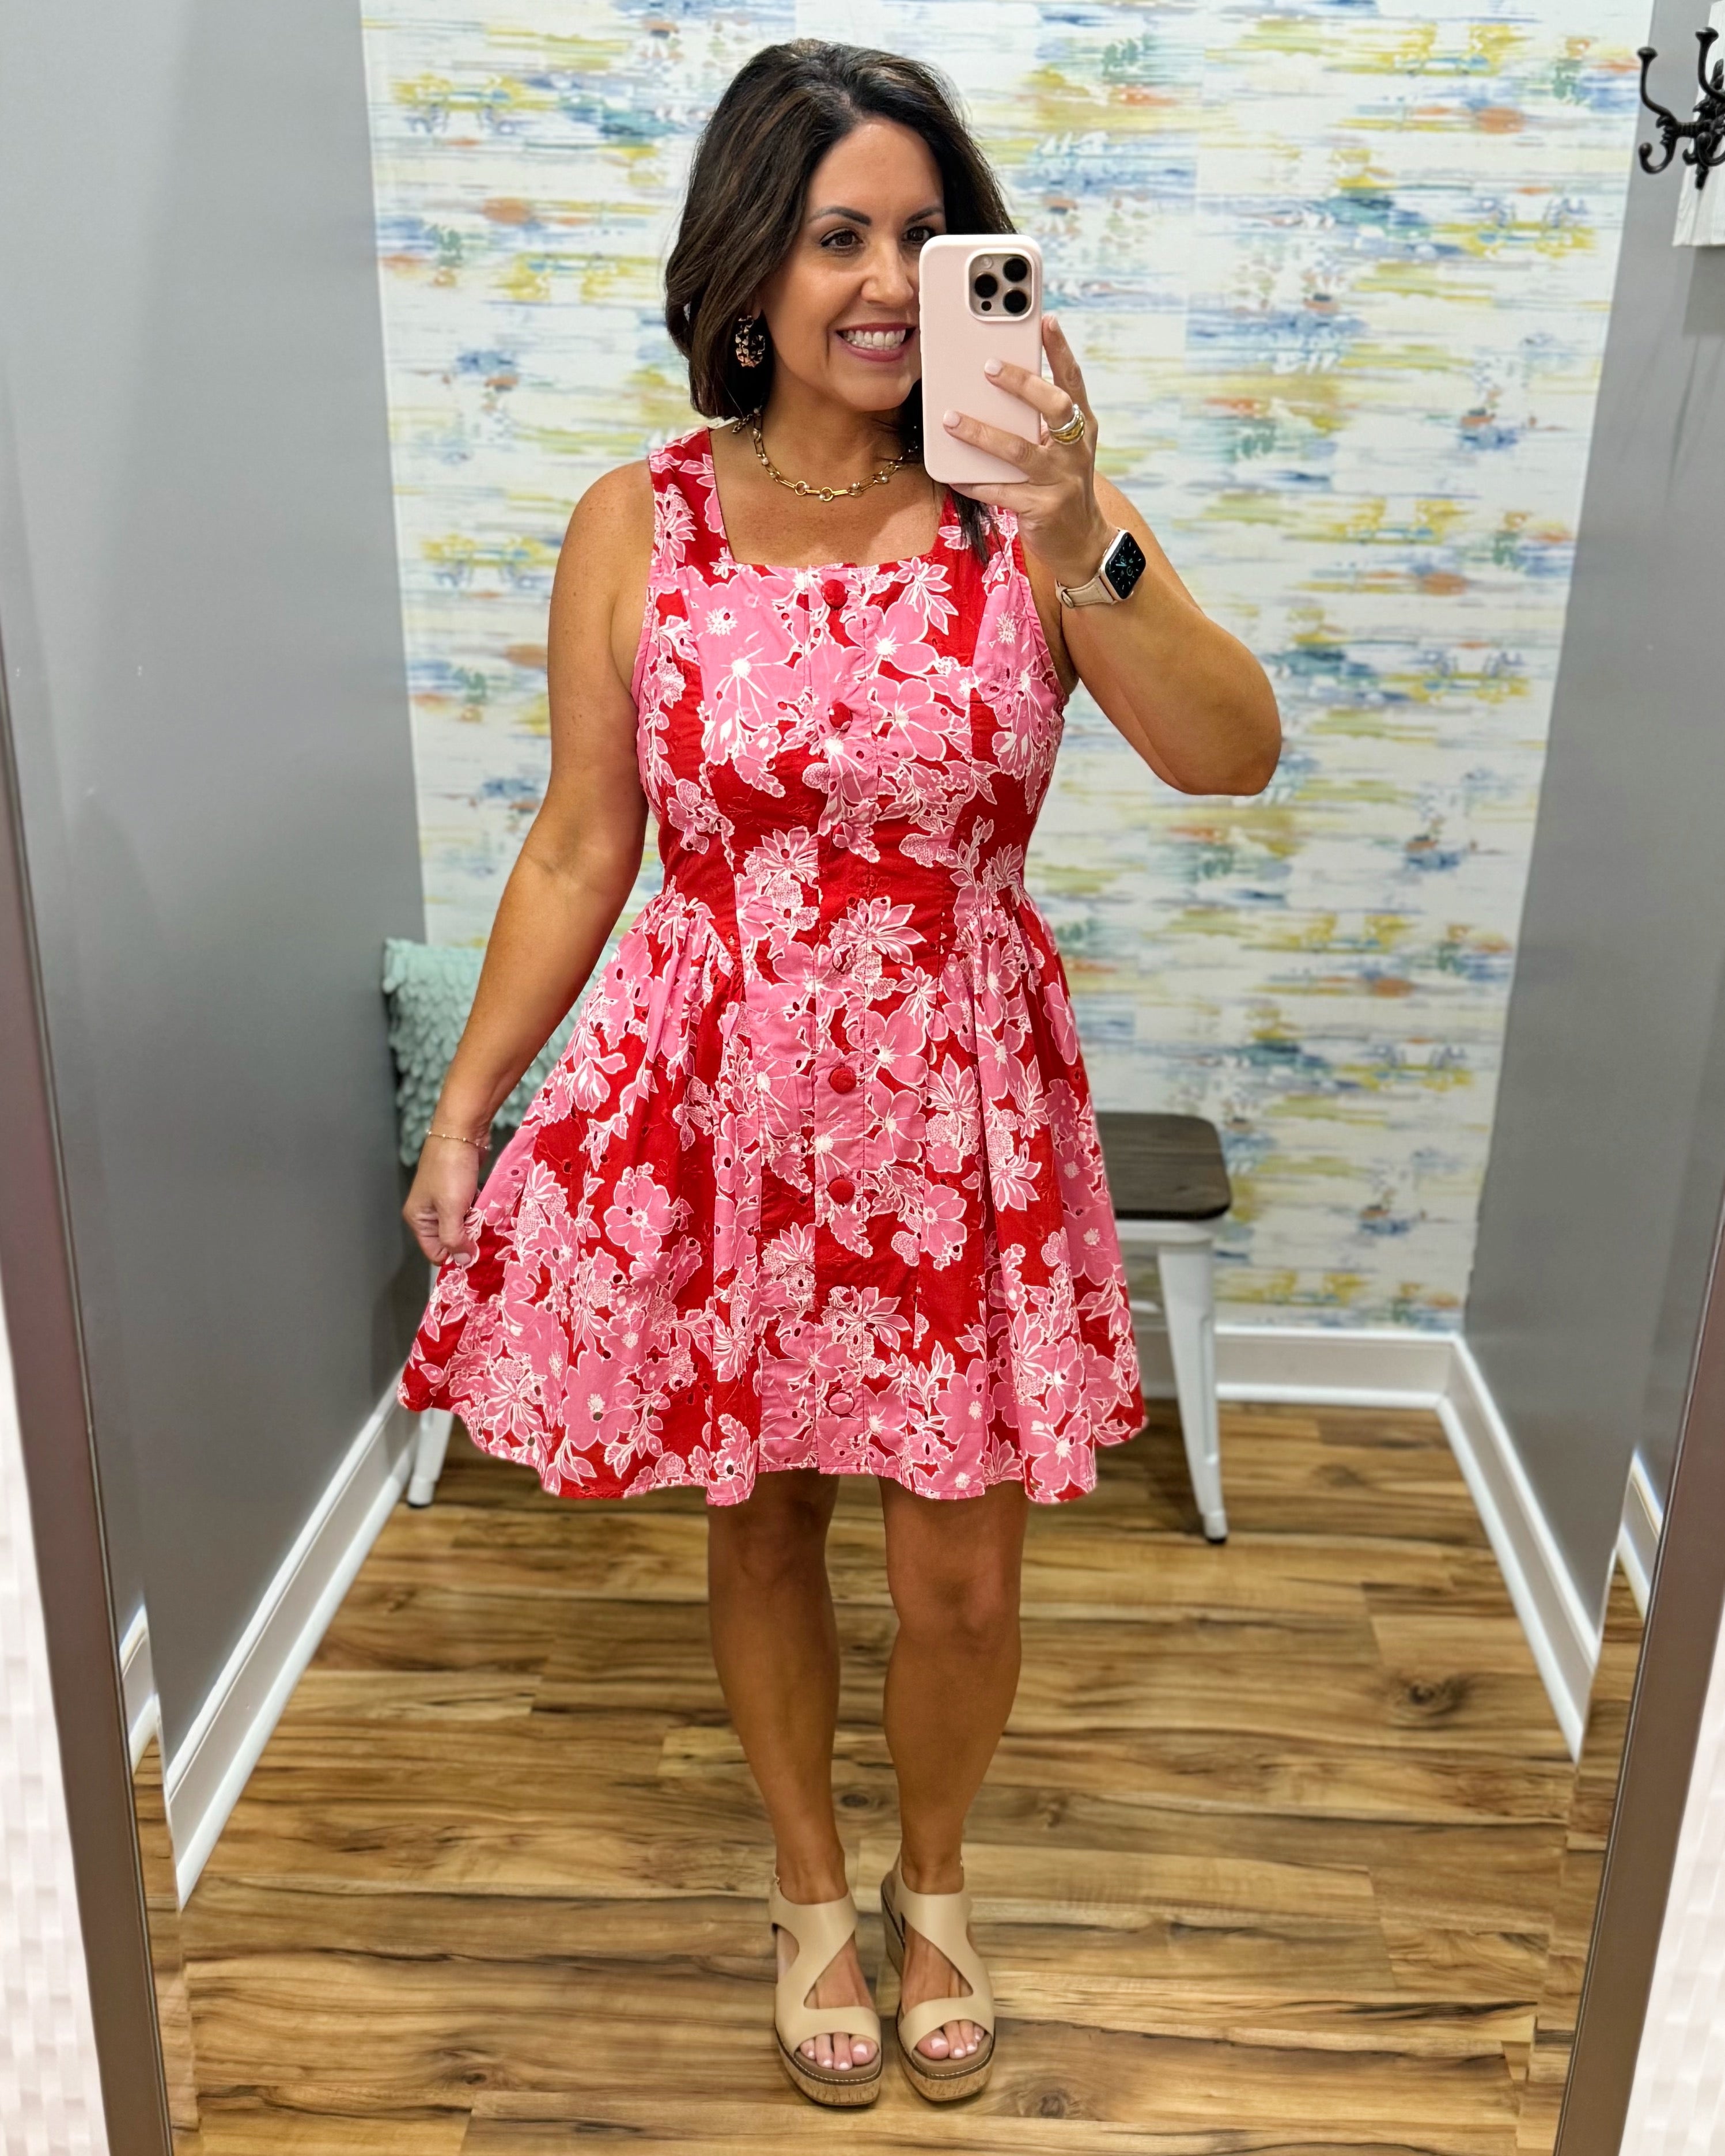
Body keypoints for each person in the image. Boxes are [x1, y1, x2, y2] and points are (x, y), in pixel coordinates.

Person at [398, 38, 1280, 2110]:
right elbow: (579, 843)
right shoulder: (641, 521)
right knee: (767, 1515)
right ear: (747, 266)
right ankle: (812, 1891)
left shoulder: (1031, 512)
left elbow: (1229, 753)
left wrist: (1084, 529)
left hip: (961, 1105)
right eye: (836, 235)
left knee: (963, 1559)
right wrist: (464, 1105)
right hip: (726, 1103)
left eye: (923, 234)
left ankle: (936, 1880)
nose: (887, 282)